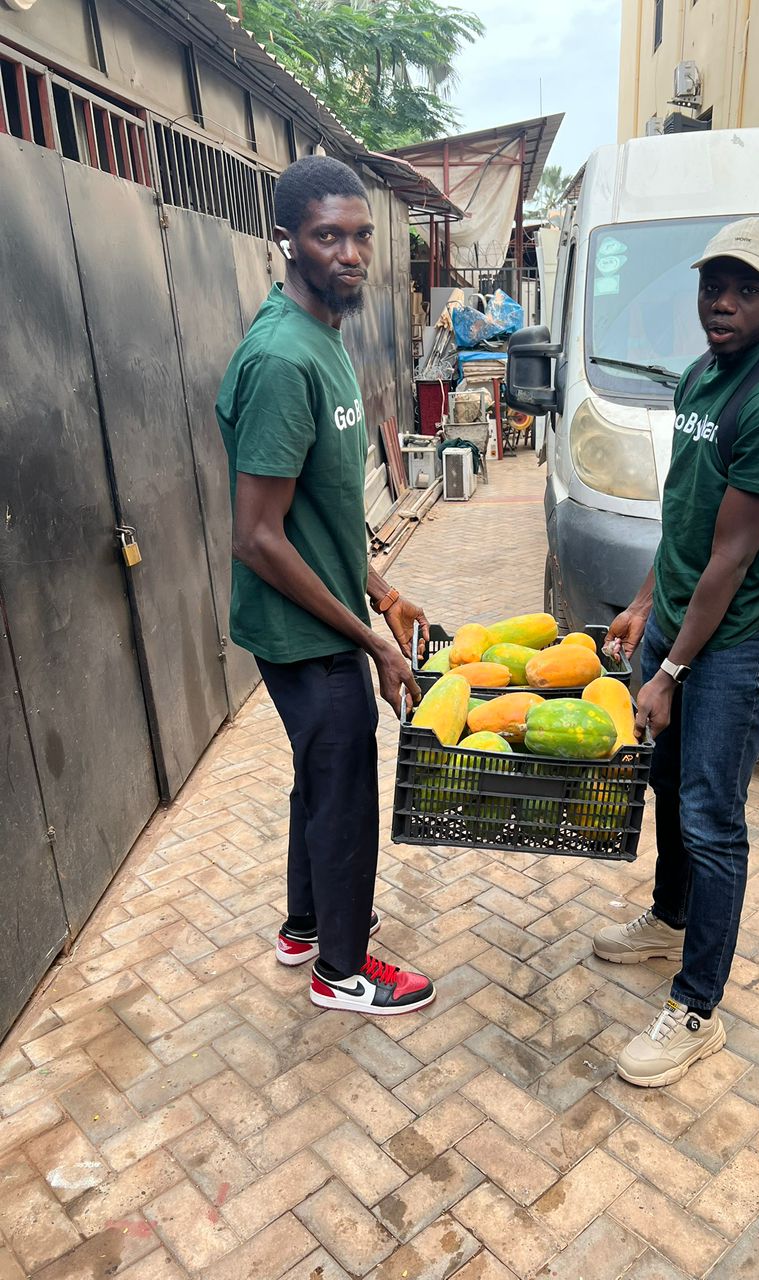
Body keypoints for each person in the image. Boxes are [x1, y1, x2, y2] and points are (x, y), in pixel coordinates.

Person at [593, 217, 759, 1086]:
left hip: (741, 636)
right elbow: (688, 517)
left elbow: (732, 555)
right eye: (712, 285)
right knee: (666, 782)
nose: (722, 303)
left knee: (712, 818)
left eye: (746, 289)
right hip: (683, 616)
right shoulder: (702, 374)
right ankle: (669, 920)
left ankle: (697, 1009)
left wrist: (669, 671)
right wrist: (644, 603)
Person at [216, 155, 436, 1016]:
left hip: (332, 618)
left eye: (360, 236)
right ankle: (341, 972)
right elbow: (257, 537)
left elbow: (318, 514)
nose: (349, 254)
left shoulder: (325, 336)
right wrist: (371, 640)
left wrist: (380, 591)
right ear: (287, 240)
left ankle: (306, 925)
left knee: (321, 775)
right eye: (327, 236)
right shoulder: (282, 358)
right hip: (305, 634)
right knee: (343, 790)